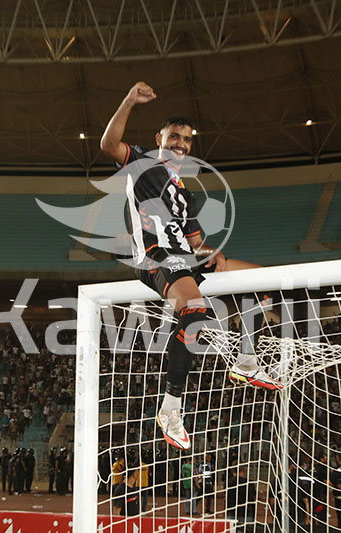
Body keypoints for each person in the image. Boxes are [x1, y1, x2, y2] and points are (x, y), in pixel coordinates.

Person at [100, 81, 283, 450]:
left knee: (265, 281)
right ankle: (170, 407)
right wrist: (129, 100)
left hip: (186, 257)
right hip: (156, 257)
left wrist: (211, 253)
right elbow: (107, 144)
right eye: (174, 136)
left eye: (186, 139)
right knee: (195, 311)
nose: (180, 143)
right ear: (160, 137)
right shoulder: (141, 163)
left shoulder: (185, 193)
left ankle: (246, 361)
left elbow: (198, 243)